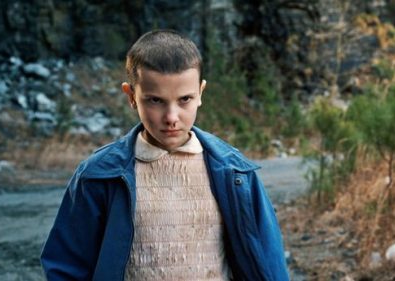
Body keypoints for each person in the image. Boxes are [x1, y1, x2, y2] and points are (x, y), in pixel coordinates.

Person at [40, 29, 290, 281]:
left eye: (184, 99)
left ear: (200, 93)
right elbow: (66, 267)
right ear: (131, 96)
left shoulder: (235, 172)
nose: (171, 117)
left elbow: (269, 262)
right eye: (155, 101)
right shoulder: (98, 175)